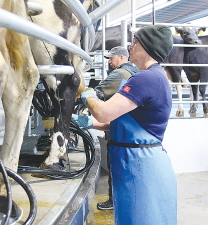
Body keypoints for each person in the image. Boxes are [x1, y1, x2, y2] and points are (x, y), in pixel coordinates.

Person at [76, 25, 177, 224]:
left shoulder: (145, 78)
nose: (130, 47)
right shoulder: (155, 76)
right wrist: (90, 123)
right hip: (137, 161)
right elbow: (126, 123)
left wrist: (86, 94)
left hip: (141, 167)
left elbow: (104, 111)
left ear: (148, 47)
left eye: (135, 43)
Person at [94, 46, 139, 210]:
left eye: (111, 58)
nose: (109, 61)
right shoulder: (137, 71)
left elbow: (98, 91)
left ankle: (114, 200)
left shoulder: (120, 73)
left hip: (118, 126)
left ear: (121, 57)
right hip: (133, 127)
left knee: (115, 163)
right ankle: (128, 200)